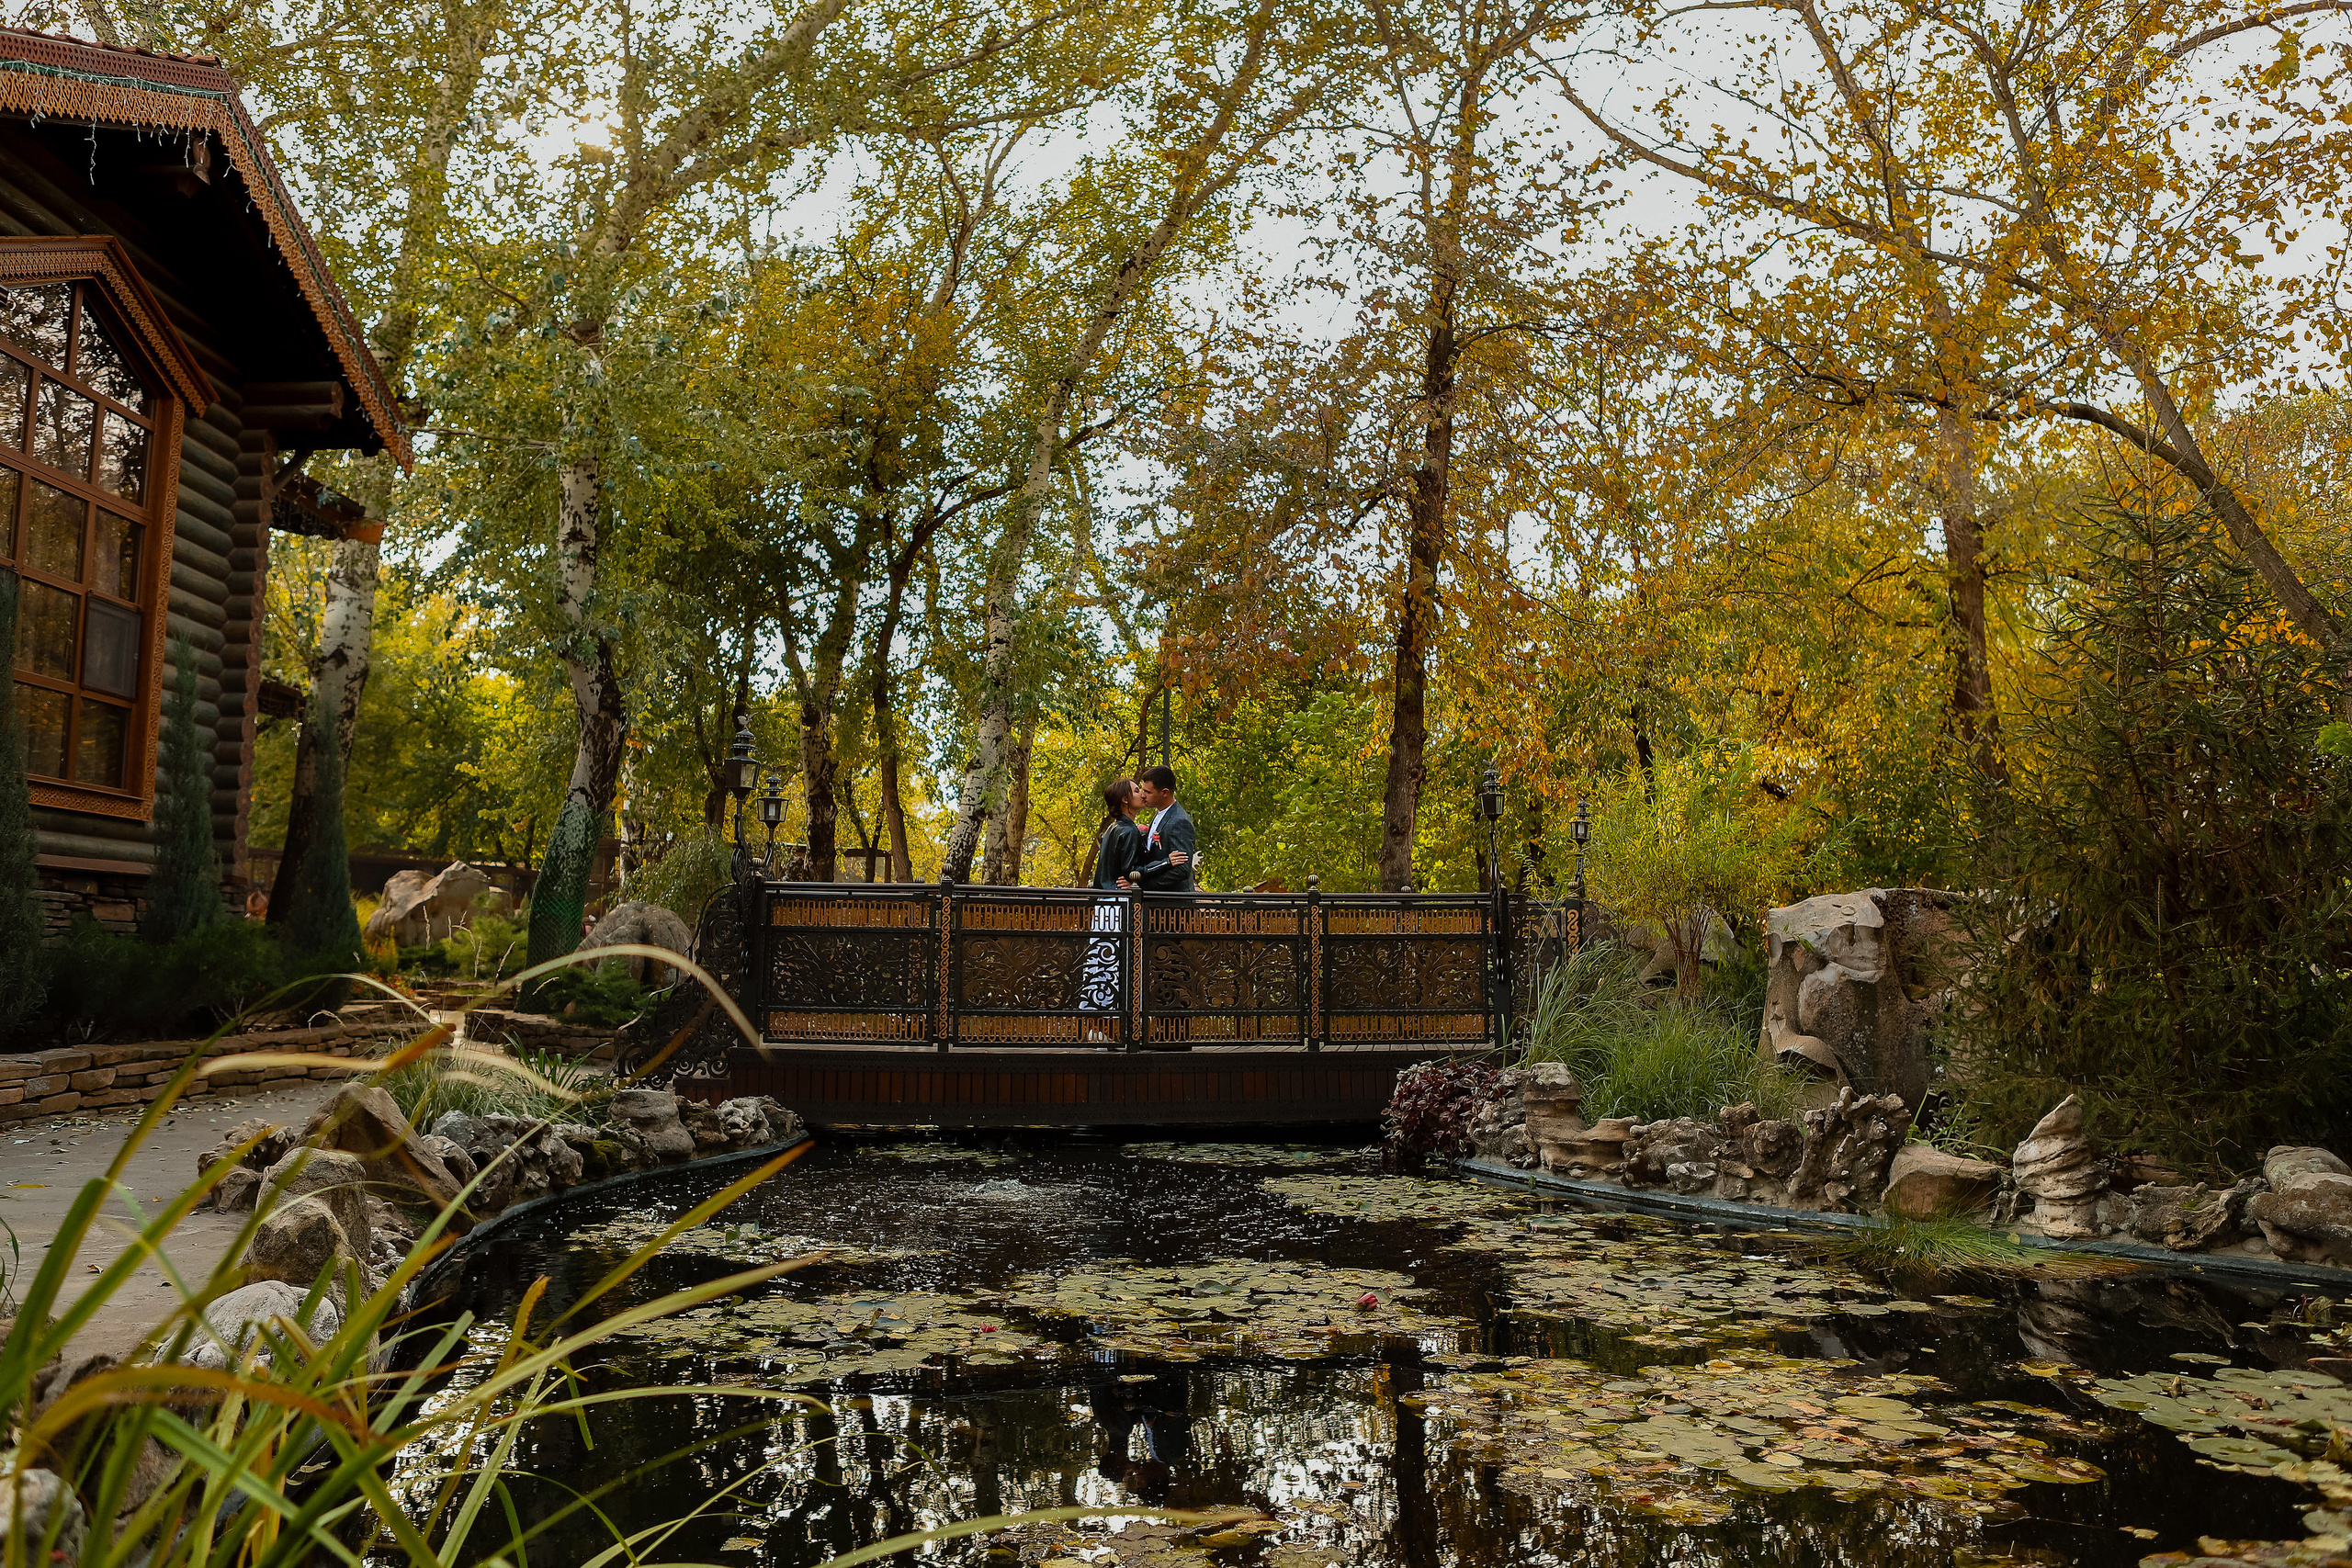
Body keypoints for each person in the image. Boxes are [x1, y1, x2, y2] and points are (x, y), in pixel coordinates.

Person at [1080, 780, 1142, 1026]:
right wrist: (1165, 862)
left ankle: (1096, 1023)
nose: (1141, 794)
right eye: (1136, 790)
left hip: (1104, 905)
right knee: (1118, 964)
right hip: (1118, 904)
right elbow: (1132, 871)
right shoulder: (1128, 831)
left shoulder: (1113, 829)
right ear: (1125, 800)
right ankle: (1114, 1025)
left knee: (1099, 963)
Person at [1132, 765, 1195, 892]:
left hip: (1172, 904)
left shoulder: (1180, 821)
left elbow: (1182, 869)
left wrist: (1143, 887)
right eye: (1143, 790)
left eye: (1148, 792)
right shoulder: (1160, 813)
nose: (1143, 795)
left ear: (1165, 793)